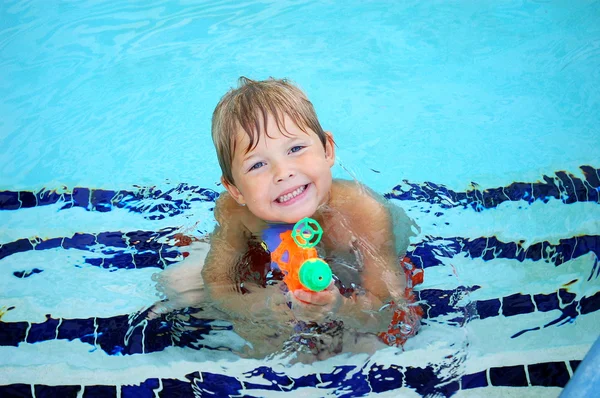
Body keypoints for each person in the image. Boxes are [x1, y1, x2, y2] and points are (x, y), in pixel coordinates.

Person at [197, 77, 422, 359]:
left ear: (327, 149)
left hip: (354, 272)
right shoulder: (236, 212)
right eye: (257, 164)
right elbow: (218, 284)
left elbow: (386, 308)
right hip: (267, 262)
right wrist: (262, 305)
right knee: (185, 291)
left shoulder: (362, 212)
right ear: (235, 189)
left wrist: (341, 307)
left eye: (295, 149)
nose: (283, 172)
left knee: (373, 342)